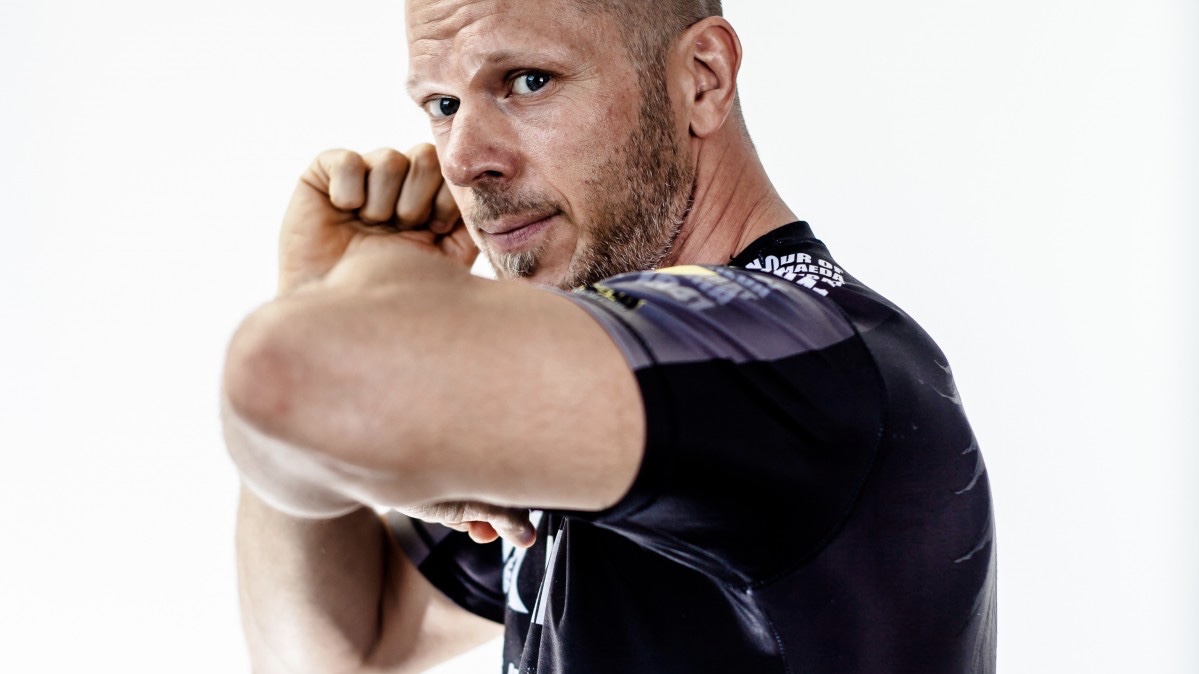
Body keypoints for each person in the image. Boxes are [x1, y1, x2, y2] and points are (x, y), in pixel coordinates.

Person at [221, 0, 997, 672]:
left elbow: (286, 375)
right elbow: (338, 647)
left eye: (528, 80)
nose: (462, 160)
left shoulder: (793, 356)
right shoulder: (621, 386)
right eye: (443, 104)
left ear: (702, 78)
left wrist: (345, 322)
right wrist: (317, 297)